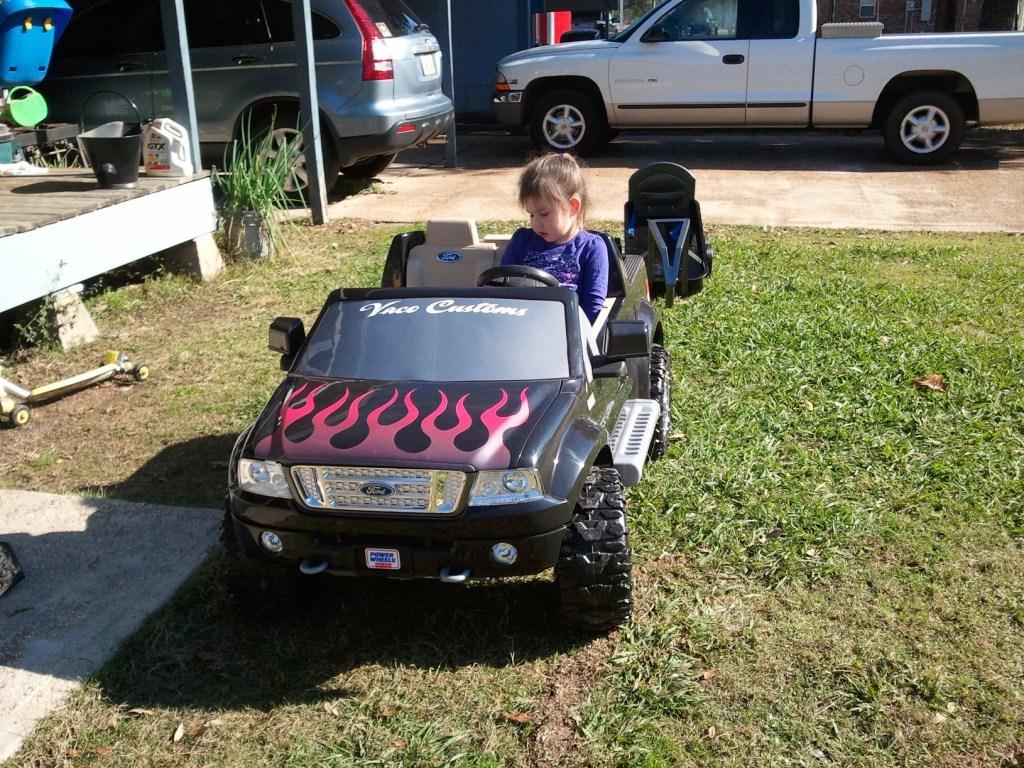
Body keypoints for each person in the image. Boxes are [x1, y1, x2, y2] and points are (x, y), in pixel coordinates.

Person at [500, 153, 609, 323]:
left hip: (567, 332)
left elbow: (592, 305)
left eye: (544, 214)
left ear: (573, 207)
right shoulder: (522, 241)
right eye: (531, 215)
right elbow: (501, 288)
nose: (536, 224)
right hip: (520, 327)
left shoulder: (591, 248)